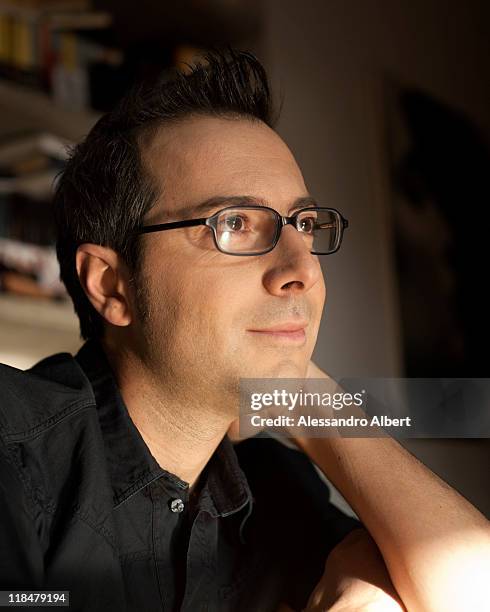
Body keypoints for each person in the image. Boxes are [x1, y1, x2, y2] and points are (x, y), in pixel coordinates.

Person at [0, 49, 488, 612]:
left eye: (304, 225)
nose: (302, 271)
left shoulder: (272, 487)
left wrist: (311, 400)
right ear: (112, 285)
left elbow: (473, 591)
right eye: (233, 222)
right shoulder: (14, 449)